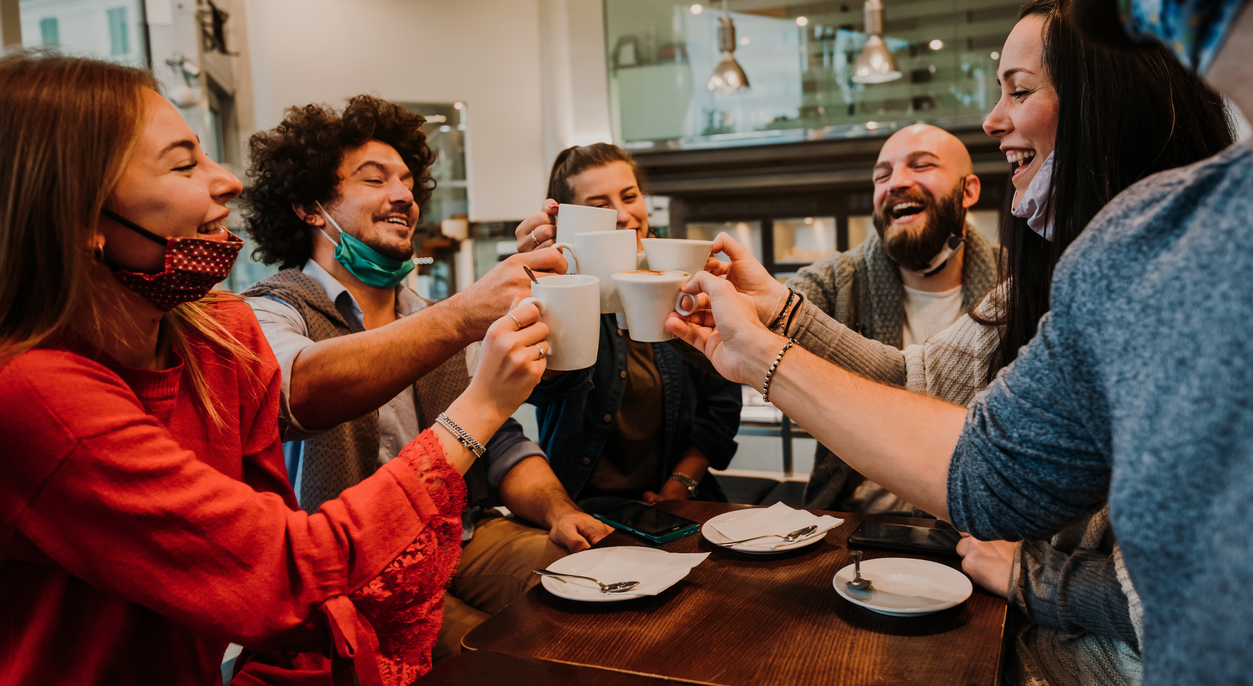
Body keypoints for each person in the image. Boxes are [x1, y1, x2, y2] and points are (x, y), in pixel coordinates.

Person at [667, 0, 1253, 683]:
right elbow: (953, 422)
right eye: (882, 172)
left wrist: (1033, 575)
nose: (994, 120)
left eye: (1019, 90)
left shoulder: (1147, 260)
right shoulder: (1110, 260)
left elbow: (1151, 587)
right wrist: (775, 320)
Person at [0, 53, 548, 685]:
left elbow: (281, 587)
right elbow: (283, 565)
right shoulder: (39, 395)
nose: (226, 181)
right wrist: (474, 392)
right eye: (183, 165)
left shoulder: (217, 336)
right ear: (79, 218)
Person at [239, 96, 612, 663]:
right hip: (354, 569)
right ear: (310, 207)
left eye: (408, 182)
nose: (404, 195)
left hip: (462, 536)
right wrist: (464, 314)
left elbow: (502, 443)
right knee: (506, 656)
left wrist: (561, 510)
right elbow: (301, 391)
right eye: (375, 179)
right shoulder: (270, 310)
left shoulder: (429, 315)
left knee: (598, 586)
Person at [513, 144, 741, 503]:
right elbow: (542, 389)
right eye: (600, 206)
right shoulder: (562, 289)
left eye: (630, 196)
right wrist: (551, 282)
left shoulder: (686, 278)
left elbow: (722, 406)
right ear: (572, 222)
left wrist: (679, 484)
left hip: (682, 501)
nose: (622, 214)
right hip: (578, 507)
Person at [791, 123, 999, 514]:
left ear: (968, 190)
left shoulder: (1013, 283)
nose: (897, 182)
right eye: (882, 175)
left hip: (981, 523)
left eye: (921, 165)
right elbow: (766, 317)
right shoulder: (839, 281)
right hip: (858, 523)